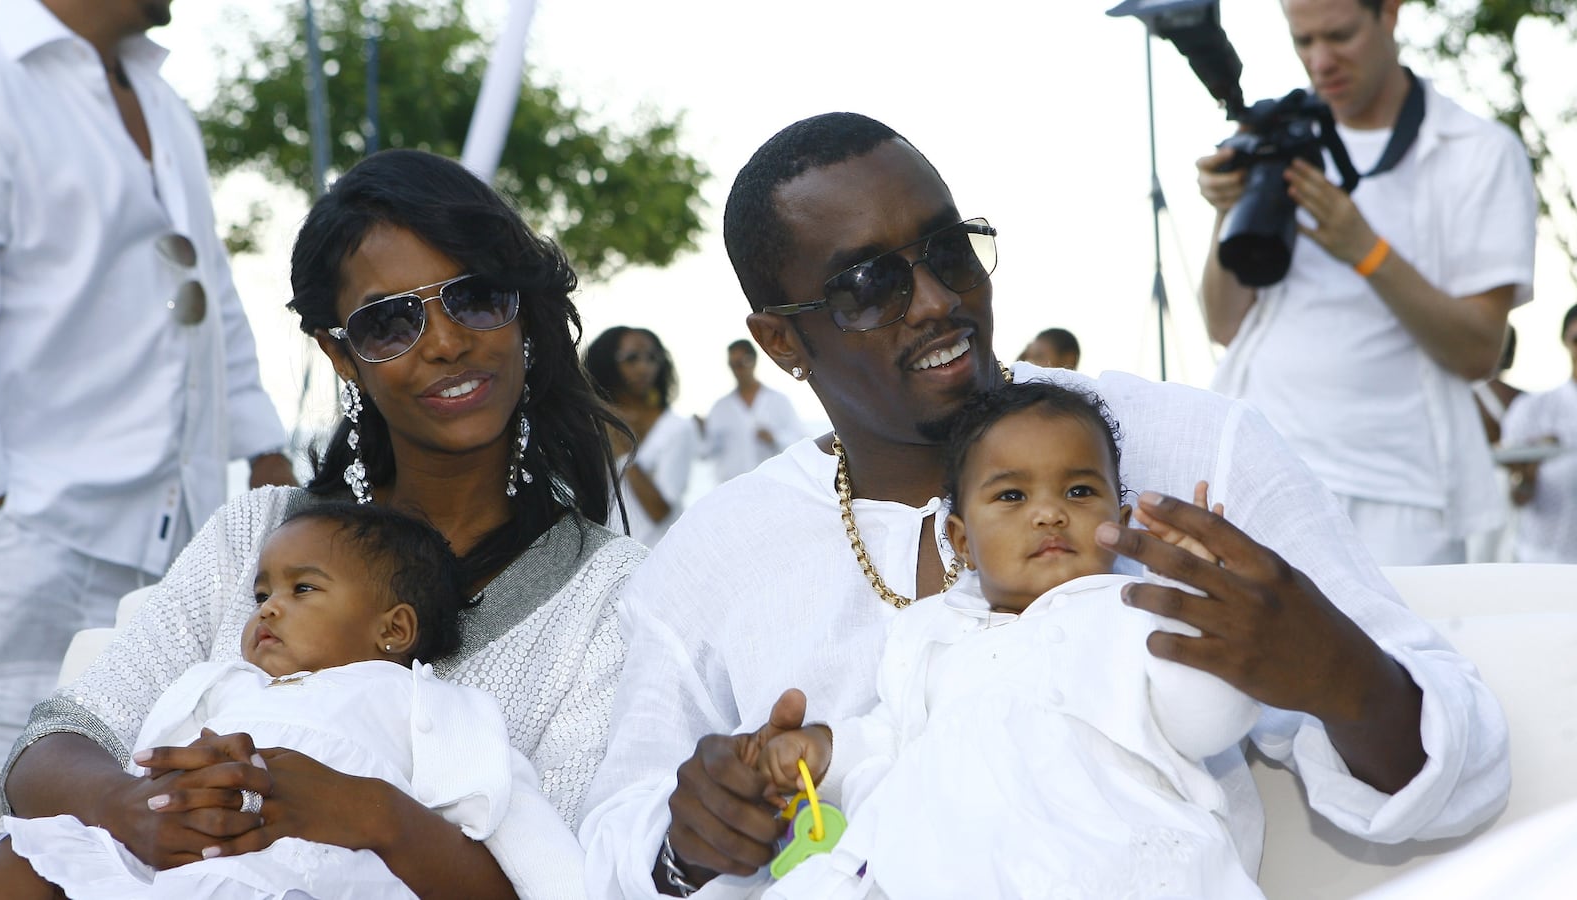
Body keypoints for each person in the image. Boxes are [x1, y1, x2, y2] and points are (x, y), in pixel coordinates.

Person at [579, 112, 1509, 899]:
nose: (940, 300)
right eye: (871, 285)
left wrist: (1337, 676)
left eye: (948, 250)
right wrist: (685, 843)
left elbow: (1465, 767)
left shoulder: (1193, 447)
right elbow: (604, 846)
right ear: (781, 341)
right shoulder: (712, 557)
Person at [0, 148, 644, 899]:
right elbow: (60, 737)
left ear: (520, 310)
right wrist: (129, 807)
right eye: (389, 321)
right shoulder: (258, 535)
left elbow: (565, 874)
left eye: (476, 296)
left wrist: (372, 814)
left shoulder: (608, 593)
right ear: (341, 355)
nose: (444, 340)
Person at [753, 382, 1263, 899]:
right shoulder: (931, 636)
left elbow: (1206, 724)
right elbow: (889, 741)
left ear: (1123, 523)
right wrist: (822, 753)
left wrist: (1196, 607)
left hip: (1106, 857)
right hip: (949, 869)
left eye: (1080, 491)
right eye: (1012, 495)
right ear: (962, 542)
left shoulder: (1137, 612)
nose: (1049, 513)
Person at [0, 0, 295, 766]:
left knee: (121, 798)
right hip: (30, 541)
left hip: (176, 533)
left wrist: (265, 452)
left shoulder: (163, 100)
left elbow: (209, 285)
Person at [0, 502, 584, 899]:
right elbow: (150, 758)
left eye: (303, 589)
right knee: (34, 857)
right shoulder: (224, 683)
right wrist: (150, 799)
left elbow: (516, 825)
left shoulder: (424, 701)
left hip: (310, 869)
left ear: (393, 630)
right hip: (176, 853)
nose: (268, 607)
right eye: (263, 591)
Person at [1195, 0, 1537, 566]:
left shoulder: (1479, 151)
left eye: (1340, 35)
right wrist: (1226, 212)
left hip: (1400, 490)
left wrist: (1366, 250)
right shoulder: (1279, 137)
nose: (1320, 61)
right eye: (1303, 41)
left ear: (1391, 14)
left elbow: (1479, 351)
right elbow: (1226, 325)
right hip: (1260, 470)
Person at [585, 325, 698, 547]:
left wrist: (623, 451)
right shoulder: (591, 424)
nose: (644, 367)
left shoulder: (675, 428)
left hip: (658, 553)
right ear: (607, 362)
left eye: (652, 357)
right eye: (632, 358)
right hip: (604, 557)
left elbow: (660, 511)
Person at [1498, 304, 1577, 563]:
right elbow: (1519, 495)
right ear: (1565, 341)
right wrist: (1529, 469)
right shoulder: (1533, 409)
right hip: (1542, 560)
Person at [701, 339, 807, 484]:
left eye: (742, 363)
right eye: (733, 365)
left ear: (754, 360)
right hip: (732, 490)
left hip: (772, 486)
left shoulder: (778, 401)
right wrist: (700, 431)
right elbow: (705, 452)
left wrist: (774, 438)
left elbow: (801, 442)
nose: (738, 370)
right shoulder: (720, 408)